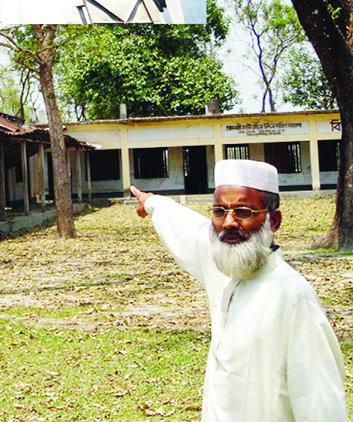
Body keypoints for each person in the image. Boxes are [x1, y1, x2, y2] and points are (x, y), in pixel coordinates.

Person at [130, 159, 347, 422]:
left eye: (243, 211)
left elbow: (320, 401)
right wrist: (152, 203)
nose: (229, 222)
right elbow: (186, 226)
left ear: (273, 220)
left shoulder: (293, 296)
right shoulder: (224, 267)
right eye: (219, 211)